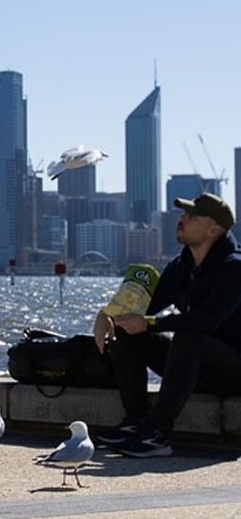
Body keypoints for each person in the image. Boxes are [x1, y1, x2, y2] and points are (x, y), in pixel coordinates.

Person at [93, 192, 241, 458]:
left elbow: (207, 320)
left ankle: (157, 434)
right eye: (183, 213)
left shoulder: (234, 268)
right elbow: (144, 308)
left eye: (191, 216)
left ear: (213, 229)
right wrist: (108, 315)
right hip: (193, 367)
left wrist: (150, 323)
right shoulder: (181, 267)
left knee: (188, 334)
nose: (181, 219)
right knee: (126, 329)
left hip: (233, 372)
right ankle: (136, 422)